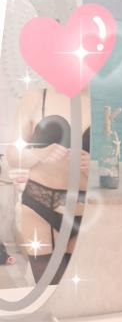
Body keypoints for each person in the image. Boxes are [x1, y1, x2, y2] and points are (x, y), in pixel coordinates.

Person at [5, 85, 91, 284]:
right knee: (47, 288)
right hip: (38, 205)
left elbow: (117, 162)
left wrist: (95, 164)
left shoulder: (104, 101)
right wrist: (39, 153)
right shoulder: (36, 97)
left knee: (74, 292)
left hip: (85, 209)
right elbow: (12, 155)